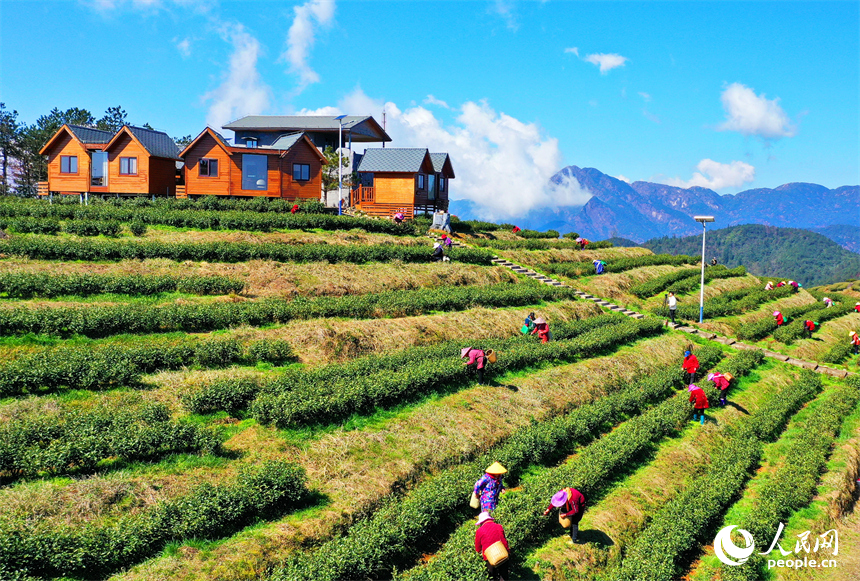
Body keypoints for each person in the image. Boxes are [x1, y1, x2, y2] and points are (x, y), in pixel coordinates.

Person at [475, 512, 510, 581]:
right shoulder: (498, 526)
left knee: (491, 576)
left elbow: (478, 548)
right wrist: (508, 552)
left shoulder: (479, 531)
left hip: (490, 558)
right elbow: (504, 541)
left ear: (481, 522)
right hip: (502, 553)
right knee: (503, 575)